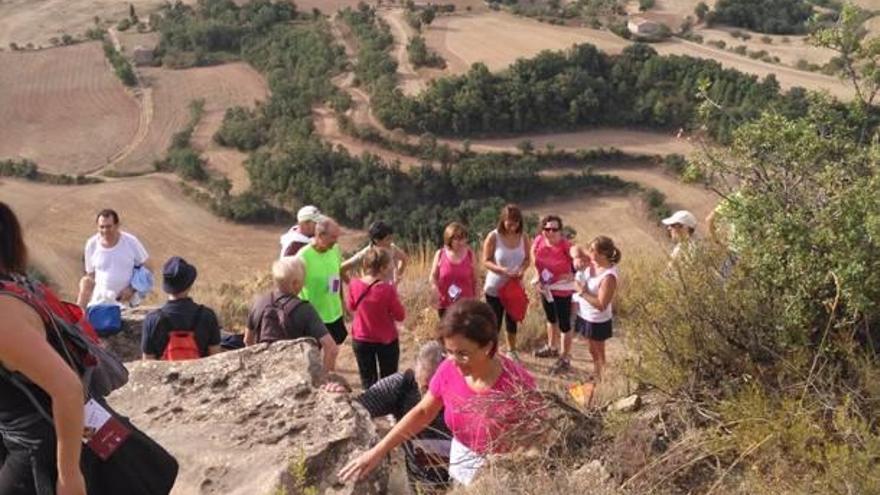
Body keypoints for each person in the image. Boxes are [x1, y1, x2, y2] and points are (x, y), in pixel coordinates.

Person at [339, 300, 538, 486]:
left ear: (488, 346)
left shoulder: (519, 387)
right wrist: (377, 452)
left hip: (499, 481)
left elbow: (537, 446)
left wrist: (496, 474)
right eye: (449, 351)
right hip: (460, 474)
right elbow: (423, 412)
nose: (454, 360)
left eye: (463, 354)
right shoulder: (449, 368)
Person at [0, 202, 87, 495]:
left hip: (36, 456)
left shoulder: (3, 313)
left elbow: (68, 389)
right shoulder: (14, 287)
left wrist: (69, 476)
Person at [356, 341, 451, 493]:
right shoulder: (401, 386)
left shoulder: (468, 392)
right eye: (423, 387)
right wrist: (340, 391)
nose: (428, 396)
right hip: (419, 487)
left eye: (435, 387)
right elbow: (358, 408)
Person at [245, 257, 339, 372]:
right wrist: (325, 380)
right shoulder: (305, 309)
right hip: (297, 376)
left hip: (266, 375)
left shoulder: (258, 302)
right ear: (295, 283)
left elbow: (247, 341)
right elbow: (331, 348)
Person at [141, 256, 222, 360]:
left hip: (164, 375)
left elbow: (148, 362)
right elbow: (216, 358)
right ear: (189, 285)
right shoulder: (207, 315)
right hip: (199, 375)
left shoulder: (152, 319)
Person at [347, 248, 406, 389]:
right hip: (386, 340)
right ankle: (389, 409)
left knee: (368, 382)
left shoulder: (354, 284)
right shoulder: (387, 289)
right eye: (389, 265)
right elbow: (400, 316)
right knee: (389, 382)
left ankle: (370, 409)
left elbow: (351, 307)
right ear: (383, 268)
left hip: (361, 339)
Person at [482, 204, 531, 361]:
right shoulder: (493, 236)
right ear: (502, 220)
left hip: (514, 287)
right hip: (495, 288)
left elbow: (527, 259)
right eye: (509, 222)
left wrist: (522, 270)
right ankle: (492, 352)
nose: (512, 226)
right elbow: (486, 261)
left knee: (512, 319)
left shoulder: (524, 237)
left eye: (516, 222)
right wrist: (502, 270)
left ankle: (512, 351)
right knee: (493, 322)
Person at [76, 209, 149, 308]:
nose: (105, 230)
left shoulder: (131, 242)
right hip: (100, 304)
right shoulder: (91, 244)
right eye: (102, 227)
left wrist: (132, 289)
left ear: (117, 225)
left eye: (109, 226)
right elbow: (91, 275)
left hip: (127, 304)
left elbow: (148, 267)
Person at [531, 215, 576, 375]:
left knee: (564, 323)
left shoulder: (565, 245)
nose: (550, 232)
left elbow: (577, 261)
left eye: (554, 229)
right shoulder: (538, 241)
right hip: (545, 287)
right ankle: (552, 347)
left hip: (562, 289)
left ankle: (565, 357)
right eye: (547, 229)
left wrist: (572, 274)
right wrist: (537, 276)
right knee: (550, 318)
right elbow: (533, 256)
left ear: (560, 230)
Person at [573, 236, 621, 382]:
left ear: (603, 254)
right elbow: (575, 249)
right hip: (585, 314)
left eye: (593, 250)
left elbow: (601, 305)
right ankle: (597, 372)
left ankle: (602, 378)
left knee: (599, 351)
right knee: (591, 348)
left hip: (597, 319)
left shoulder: (609, 277)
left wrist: (582, 292)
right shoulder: (592, 264)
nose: (589, 252)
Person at [296, 216, 348, 345]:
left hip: (334, 312)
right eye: (333, 237)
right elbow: (293, 285)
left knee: (334, 348)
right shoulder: (303, 256)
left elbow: (337, 274)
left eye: (337, 237)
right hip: (313, 316)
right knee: (317, 352)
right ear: (320, 235)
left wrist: (343, 301)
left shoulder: (335, 250)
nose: (336, 241)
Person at [429, 222, 478, 319]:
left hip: (466, 305)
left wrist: (476, 299)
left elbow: (476, 279)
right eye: (456, 238)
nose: (460, 242)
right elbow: (433, 276)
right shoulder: (440, 254)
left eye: (463, 238)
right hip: (445, 304)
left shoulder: (470, 254)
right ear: (449, 239)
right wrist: (434, 288)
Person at [341, 221, 409, 285]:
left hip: (389, 292)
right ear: (376, 240)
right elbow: (342, 268)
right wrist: (353, 287)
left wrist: (397, 275)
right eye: (387, 239)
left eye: (391, 238)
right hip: (371, 294)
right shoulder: (366, 253)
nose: (390, 241)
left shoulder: (392, 248)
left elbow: (404, 259)